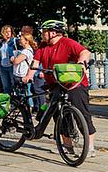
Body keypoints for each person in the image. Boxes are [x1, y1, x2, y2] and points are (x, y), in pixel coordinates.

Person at [33, 19, 97, 159]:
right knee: (59, 115)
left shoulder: (68, 43)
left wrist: (81, 63)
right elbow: (35, 63)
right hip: (56, 84)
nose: (42, 34)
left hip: (74, 84)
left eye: (44, 31)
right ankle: (68, 146)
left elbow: (85, 52)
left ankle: (90, 147)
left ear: (53, 33)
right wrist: (28, 76)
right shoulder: (43, 46)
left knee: (81, 112)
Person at [11, 32, 36, 97]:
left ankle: (29, 106)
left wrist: (13, 59)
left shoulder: (26, 51)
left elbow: (16, 61)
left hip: (23, 76)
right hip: (20, 75)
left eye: (21, 39)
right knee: (21, 94)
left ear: (26, 41)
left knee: (25, 94)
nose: (20, 41)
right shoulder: (24, 50)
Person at [0, 25, 16, 94]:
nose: (8, 33)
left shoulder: (14, 41)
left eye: (9, 31)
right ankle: (8, 102)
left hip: (11, 66)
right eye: (6, 32)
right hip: (3, 66)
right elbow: (0, 56)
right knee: (6, 86)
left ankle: (16, 101)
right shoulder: (1, 42)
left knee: (15, 85)